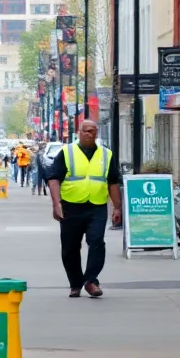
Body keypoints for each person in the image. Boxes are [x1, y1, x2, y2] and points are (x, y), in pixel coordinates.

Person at [47, 120, 122, 299]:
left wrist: (117, 208)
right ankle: (75, 283)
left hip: (96, 206)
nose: (91, 134)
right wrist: (56, 204)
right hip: (70, 206)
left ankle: (91, 281)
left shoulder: (106, 154)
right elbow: (53, 179)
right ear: (79, 133)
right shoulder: (67, 152)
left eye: (94, 131)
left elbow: (112, 182)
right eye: (87, 131)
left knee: (97, 242)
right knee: (70, 247)